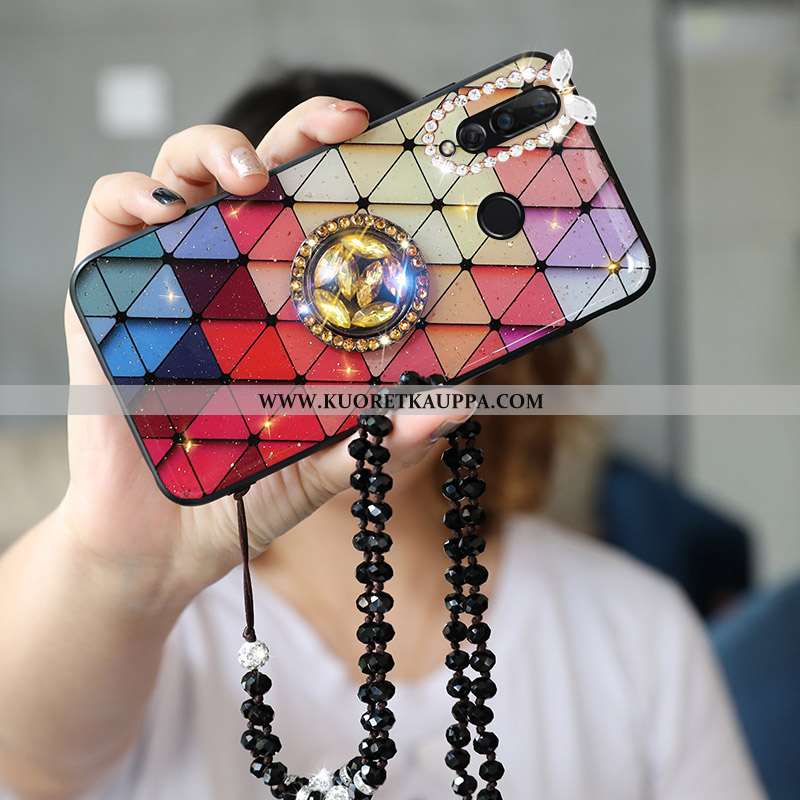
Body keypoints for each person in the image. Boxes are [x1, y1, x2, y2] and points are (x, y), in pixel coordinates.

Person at [0, 71, 764, 800]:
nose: (357, 323)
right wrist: (120, 562)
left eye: (399, 246)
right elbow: (28, 761)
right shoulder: (140, 630)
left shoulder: (638, 631)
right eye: (292, 275)